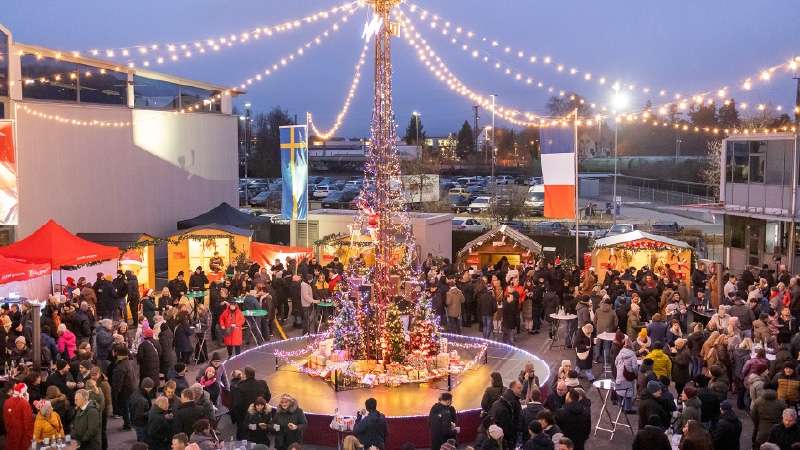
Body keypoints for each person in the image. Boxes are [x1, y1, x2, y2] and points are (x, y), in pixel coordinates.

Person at [231, 366, 271, 439]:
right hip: (260, 415)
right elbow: (268, 396)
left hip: (246, 416)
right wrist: (262, 406)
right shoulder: (262, 383)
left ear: (245, 375)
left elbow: (237, 404)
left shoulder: (240, 386)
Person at [488, 380, 523, 450]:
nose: (521, 390)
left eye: (521, 388)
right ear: (512, 388)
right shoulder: (512, 401)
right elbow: (515, 420)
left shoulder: (504, 399)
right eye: (518, 388)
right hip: (508, 436)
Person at [110, 346, 136, 431]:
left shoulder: (120, 367)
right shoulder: (128, 362)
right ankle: (129, 423)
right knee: (128, 408)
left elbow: (117, 383)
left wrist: (115, 394)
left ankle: (127, 425)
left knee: (125, 408)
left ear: (118, 353)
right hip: (131, 388)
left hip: (124, 391)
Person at [3, 383, 34, 450]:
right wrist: (30, 436)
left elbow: (6, 419)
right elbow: (28, 422)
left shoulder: (6, 401)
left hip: (11, 433)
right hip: (22, 436)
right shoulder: (24, 403)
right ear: (24, 392)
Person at [614, 337, 638, 413]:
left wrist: (619, 369)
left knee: (620, 391)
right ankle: (627, 409)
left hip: (619, 375)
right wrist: (635, 374)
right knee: (628, 392)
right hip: (628, 376)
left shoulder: (620, 352)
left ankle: (621, 406)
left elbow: (615, 362)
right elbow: (635, 367)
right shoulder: (632, 354)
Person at [129, 377, 155, 442]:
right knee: (143, 441)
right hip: (141, 424)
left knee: (140, 439)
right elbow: (139, 415)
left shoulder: (136, 392)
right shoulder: (142, 400)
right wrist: (151, 412)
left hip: (135, 422)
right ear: (148, 387)